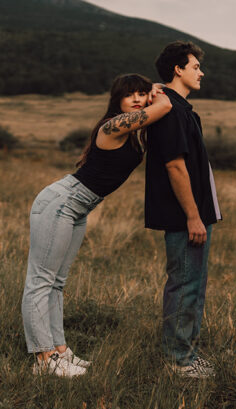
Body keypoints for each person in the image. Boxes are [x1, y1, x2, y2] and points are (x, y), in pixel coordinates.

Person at [22, 74, 172, 377]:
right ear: (117, 99)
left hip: (78, 209)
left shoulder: (133, 132)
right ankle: (43, 359)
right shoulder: (112, 126)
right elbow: (164, 107)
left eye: (142, 94)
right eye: (130, 94)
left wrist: (152, 91)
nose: (138, 99)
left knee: (57, 283)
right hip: (61, 203)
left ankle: (60, 351)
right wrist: (158, 92)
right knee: (41, 281)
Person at [144, 41, 222, 378]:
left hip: (194, 215)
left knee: (193, 283)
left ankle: (187, 353)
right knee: (185, 284)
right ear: (178, 69)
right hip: (183, 216)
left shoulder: (179, 109)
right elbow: (175, 166)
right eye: (194, 66)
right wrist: (193, 216)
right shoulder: (170, 111)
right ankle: (178, 361)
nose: (201, 72)